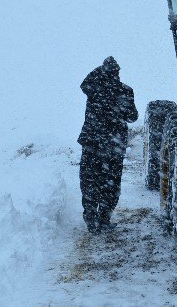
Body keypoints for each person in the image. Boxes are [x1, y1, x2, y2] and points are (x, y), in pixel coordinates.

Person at [77, 56, 138, 233]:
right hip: (114, 145)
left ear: (102, 71)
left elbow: (84, 83)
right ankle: (104, 219)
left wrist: (100, 70)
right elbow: (132, 117)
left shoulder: (94, 89)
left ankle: (90, 219)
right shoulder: (125, 90)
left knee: (89, 181)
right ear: (118, 73)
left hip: (92, 143)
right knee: (110, 183)